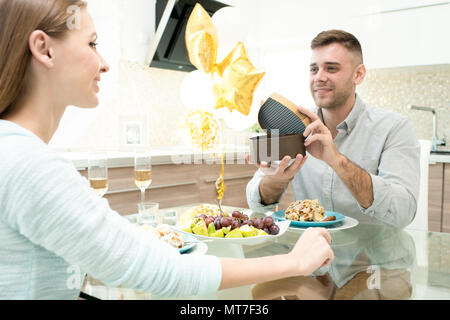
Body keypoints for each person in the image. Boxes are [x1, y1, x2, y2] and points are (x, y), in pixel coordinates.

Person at [0, 0, 334, 300]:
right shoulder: (31, 166)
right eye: (92, 44)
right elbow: (164, 273)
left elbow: (105, 253)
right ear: (44, 49)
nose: (104, 64)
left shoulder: (14, 152)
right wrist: (294, 261)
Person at [246, 30, 420, 229]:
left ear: (359, 74)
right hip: (311, 254)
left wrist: (336, 160)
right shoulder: (294, 126)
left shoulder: (394, 128)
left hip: (373, 257)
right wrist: (275, 180)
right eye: (314, 69)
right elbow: (256, 204)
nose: (319, 77)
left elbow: (403, 211)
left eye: (331, 68)